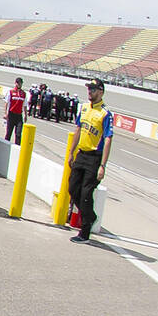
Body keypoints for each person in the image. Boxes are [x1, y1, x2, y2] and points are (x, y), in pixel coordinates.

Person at [67, 79, 113, 243]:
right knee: (72, 188)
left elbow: (108, 139)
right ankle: (90, 216)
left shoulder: (105, 113)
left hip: (94, 157)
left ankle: (85, 232)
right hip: (82, 154)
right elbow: (78, 129)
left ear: (100, 92)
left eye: (93, 89)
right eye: (89, 89)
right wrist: (72, 152)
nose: (89, 92)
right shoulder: (84, 108)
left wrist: (102, 166)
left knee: (86, 193)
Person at [3, 77, 27, 143]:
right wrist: (5, 113)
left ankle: (17, 149)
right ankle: (6, 145)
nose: (19, 84)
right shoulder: (11, 92)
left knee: (18, 134)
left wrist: (25, 115)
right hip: (11, 115)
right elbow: (6, 103)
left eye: (21, 83)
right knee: (8, 133)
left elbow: (25, 105)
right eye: (18, 83)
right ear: (15, 83)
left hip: (19, 116)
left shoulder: (23, 94)